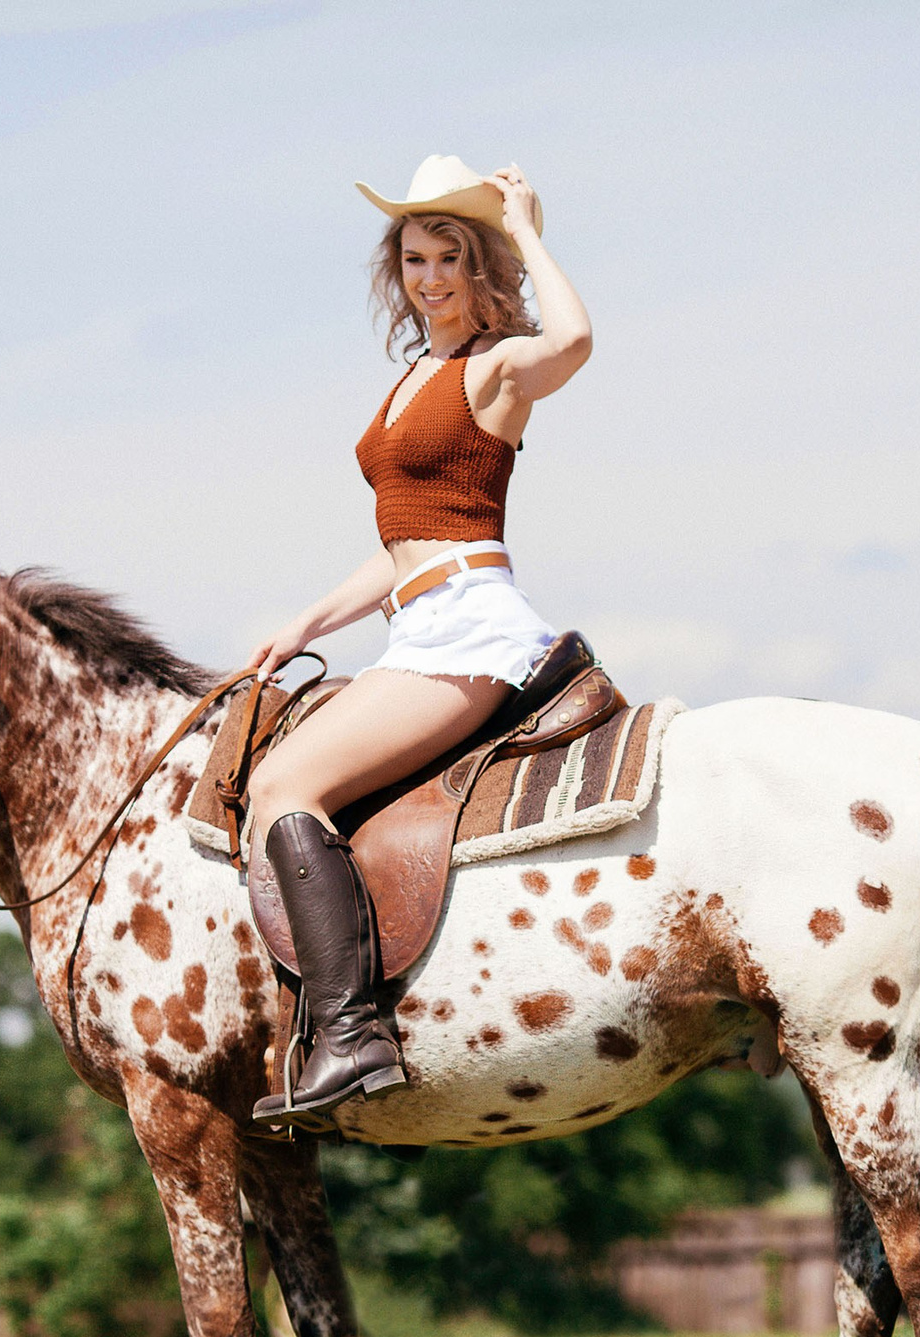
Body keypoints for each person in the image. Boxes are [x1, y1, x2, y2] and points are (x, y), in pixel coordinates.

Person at [244, 155, 595, 1127]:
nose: (429, 276)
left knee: (285, 788)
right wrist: (304, 624)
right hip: (419, 619)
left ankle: (354, 1035)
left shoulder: (495, 370)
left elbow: (574, 338)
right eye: (411, 258)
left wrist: (527, 226)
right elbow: (401, 546)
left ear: (481, 266)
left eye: (448, 256)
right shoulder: (411, 378)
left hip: (471, 631)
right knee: (271, 772)